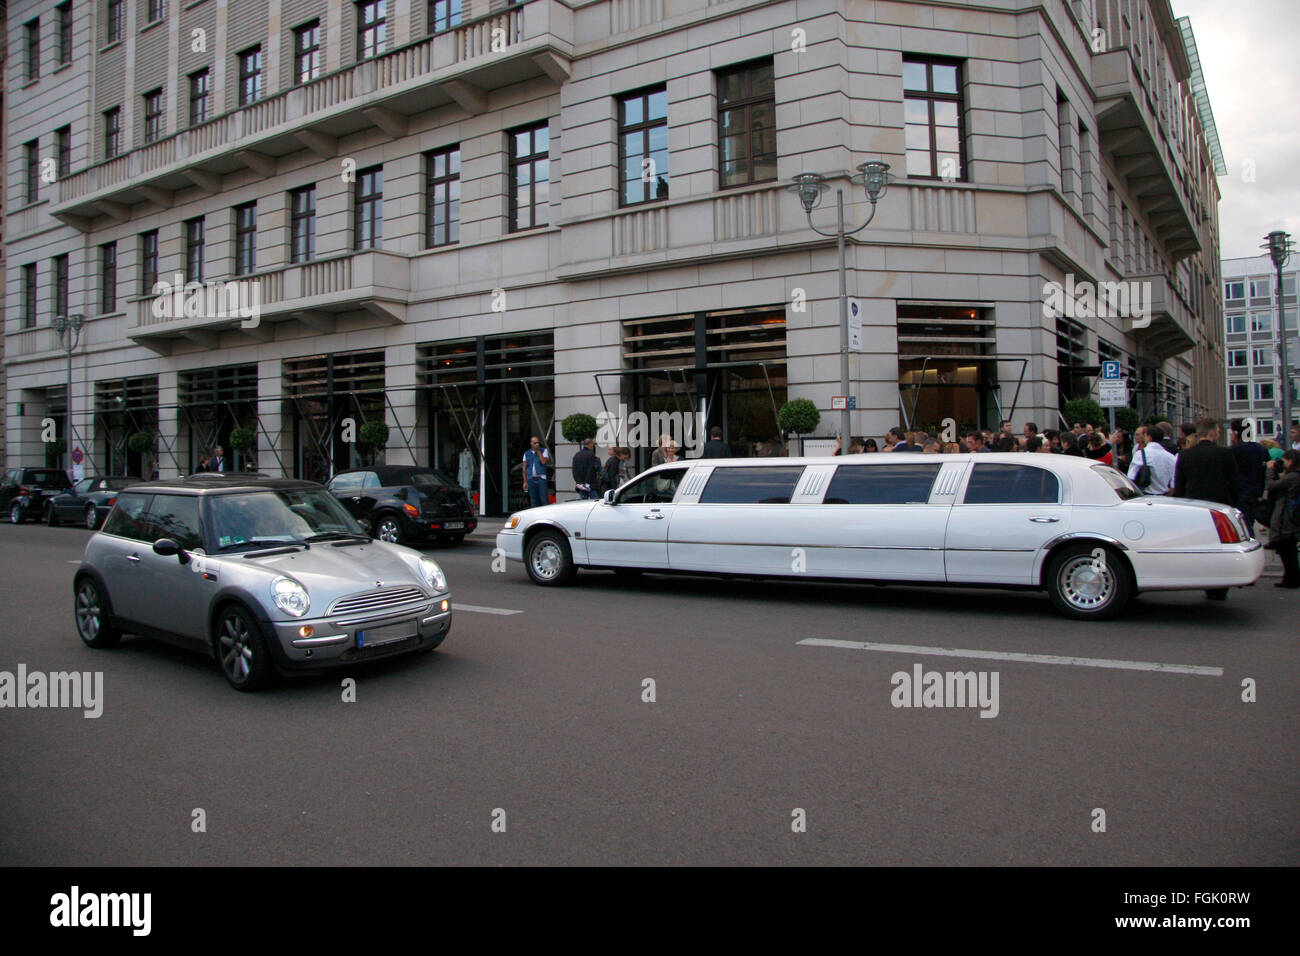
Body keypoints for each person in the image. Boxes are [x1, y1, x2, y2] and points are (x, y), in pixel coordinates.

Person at [1173, 418, 1241, 601]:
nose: (1219, 435)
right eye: (1218, 432)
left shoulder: (1185, 455)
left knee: (1200, 546)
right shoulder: (1225, 453)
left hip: (1194, 508)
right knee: (1220, 548)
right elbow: (1234, 483)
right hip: (1219, 506)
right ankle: (1219, 587)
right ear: (1211, 433)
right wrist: (1233, 504)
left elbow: (1179, 487)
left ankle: (1203, 580)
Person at [1261, 450, 1299, 588]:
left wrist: (1270, 471)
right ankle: (1291, 577)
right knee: (1288, 547)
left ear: (1291, 461)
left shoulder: (1293, 476)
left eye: (1284, 461)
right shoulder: (1293, 476)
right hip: (1291, 515)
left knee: (1287, 548)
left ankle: (1292, 578)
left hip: (1287, 516)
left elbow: (1272, 485)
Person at [1229, 418, 1270, 531]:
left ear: (1236, 433)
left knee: (1243, 526)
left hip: (1240, 493)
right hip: (1256, 493)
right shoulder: (1261, 449)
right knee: (1250, 522)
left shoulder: (1234, 450)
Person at [1128, 424, 1175, 496]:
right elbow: (1173, 482)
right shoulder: (1171, 457)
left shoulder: (1140, 454)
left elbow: (1131, 476)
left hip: (1145, 495)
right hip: (1164, 496)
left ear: (1149, 437)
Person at [521, 436, 550, 508]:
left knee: (544, 499)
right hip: (531, 479)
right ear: (531, 443)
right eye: (535, 443)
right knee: (534, 500)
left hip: (541, 478)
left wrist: (538, 451)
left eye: (538, 443)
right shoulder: (526, 453)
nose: (537, 444)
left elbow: (543, 462)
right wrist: (525, 481)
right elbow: (524, 468)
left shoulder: (544, 451)